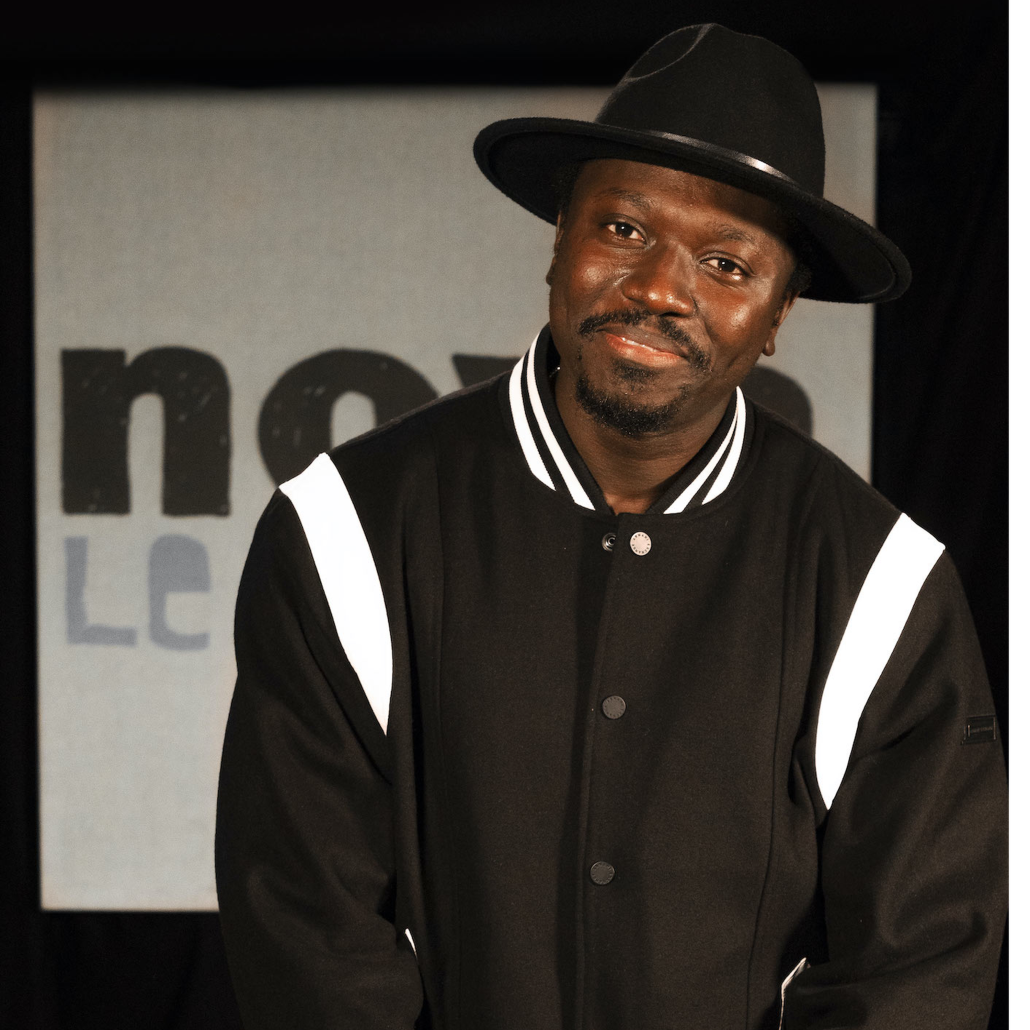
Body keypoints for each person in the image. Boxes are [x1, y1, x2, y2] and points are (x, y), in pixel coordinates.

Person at [215, 24, 1008, 1029]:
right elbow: (306, 931)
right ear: (559, 240)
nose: (660, 290)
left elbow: (919, 966)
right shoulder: (347, 531)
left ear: (777, 314)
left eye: (725, 263)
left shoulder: (882, 585)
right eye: (624, 230)